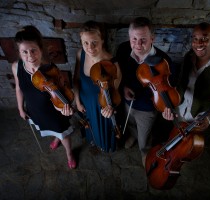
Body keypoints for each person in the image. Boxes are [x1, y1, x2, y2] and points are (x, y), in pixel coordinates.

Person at [12, 25, 76, 169]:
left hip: (54, 111)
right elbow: (18, 88)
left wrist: (64, 108)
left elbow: (61, 93)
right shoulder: (16, 67)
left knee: (63, 134)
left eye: (33, 50)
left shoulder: (50, 69)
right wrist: (20, 108)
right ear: (20, 53)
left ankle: (69, 153)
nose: (30, 56)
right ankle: (56, 138)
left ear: (40, 49)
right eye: (24, 52)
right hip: (34, 110)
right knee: (51, 131)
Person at [116, 17, 175, 167]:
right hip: (127, 102)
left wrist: (167, 106)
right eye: (134, 39)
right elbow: (118, 74)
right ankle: (132, 136)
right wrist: (122, 87)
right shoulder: (123, 50)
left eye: (143, 39)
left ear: (152, 39)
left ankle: (145, 152)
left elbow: (169, 87)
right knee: (130, 124)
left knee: (145, 135)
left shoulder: (164, 61)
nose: (137, 44)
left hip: (148, 108)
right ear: (129, 37)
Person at [162, 22, 210, 131]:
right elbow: (181, 81)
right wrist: (169, 106)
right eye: (195, 39)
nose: (198, 44)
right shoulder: (189, 56)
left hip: (197, 121)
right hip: (179, 111)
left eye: (204, 38)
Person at [73, 20, 122, 152]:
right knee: (90, 126)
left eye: (95, 42)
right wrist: (77, 102)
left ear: (102, 40)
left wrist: (110, 107)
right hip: (85, 104)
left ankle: (104, 145)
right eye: (85, 43)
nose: (90, 47)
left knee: (103, 129)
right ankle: (93, 141)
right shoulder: (80, 54)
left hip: (102, 106)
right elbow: (76, 79)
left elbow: (115, 94)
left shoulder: (112, 64)